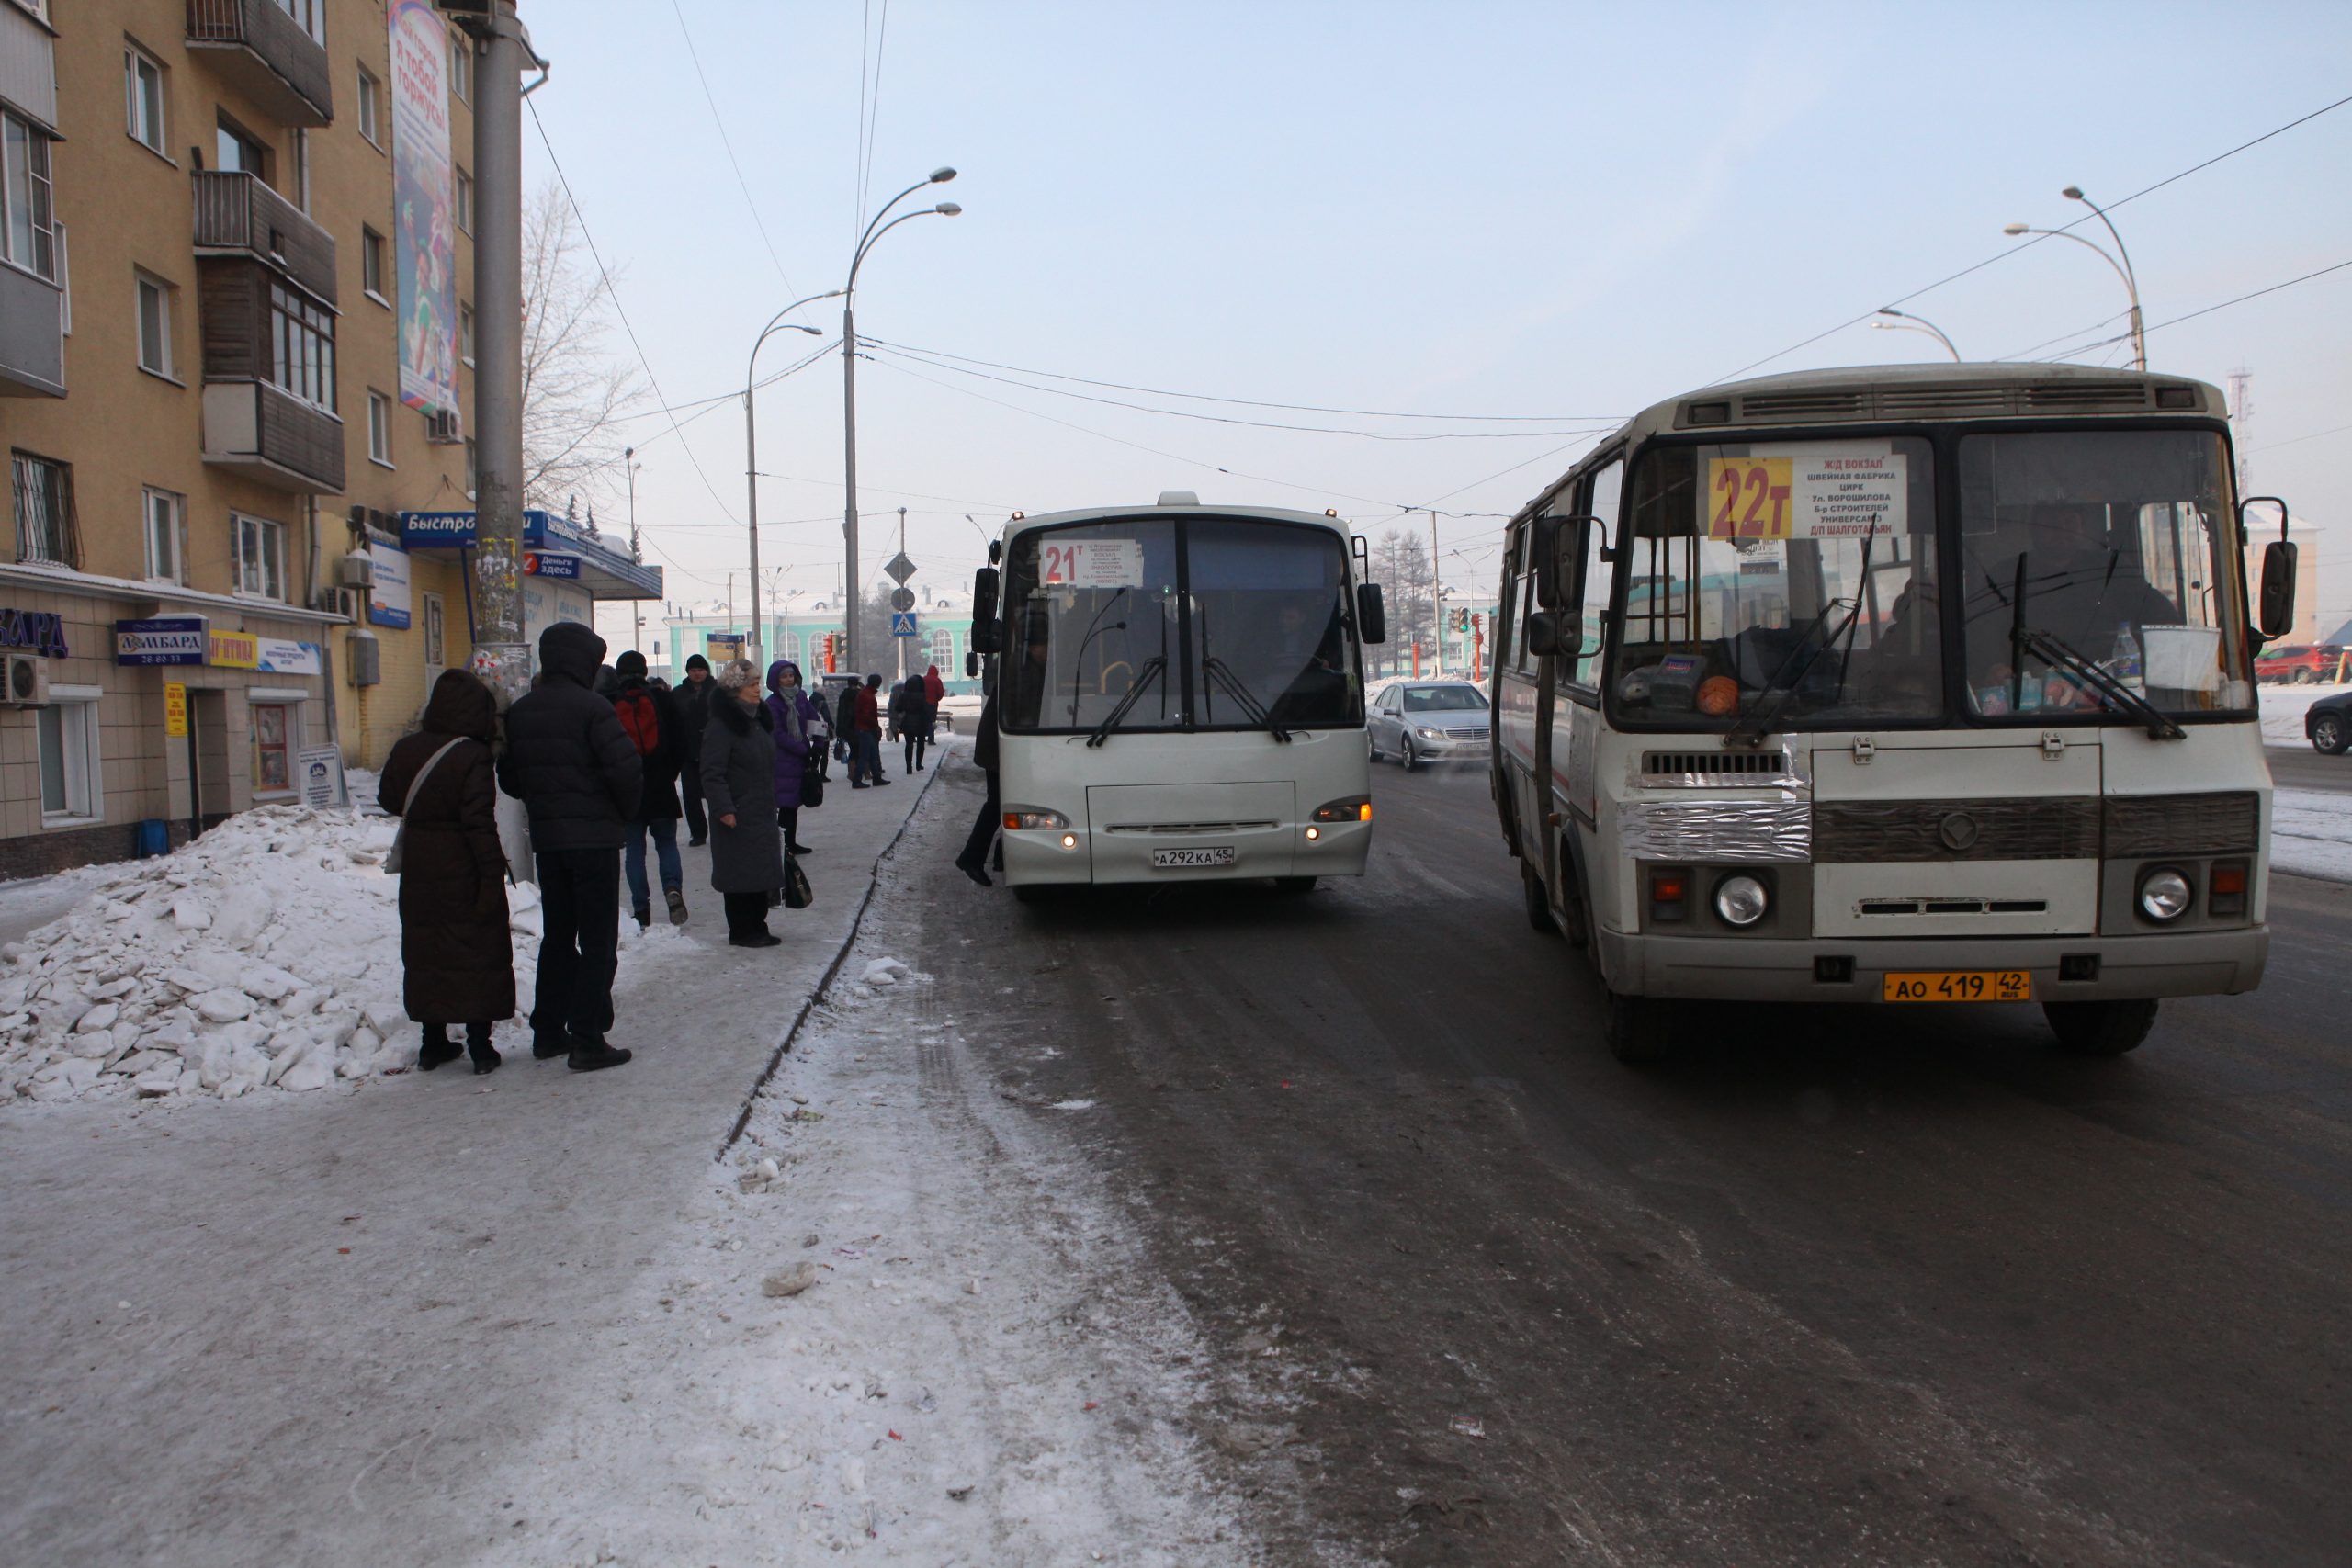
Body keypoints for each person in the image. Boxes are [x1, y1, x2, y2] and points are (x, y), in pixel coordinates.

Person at [495, 622, 638, 1072]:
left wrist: (546, 799)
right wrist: (619, 812)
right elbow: (625, 770)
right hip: (594, 841)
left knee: (558, 935)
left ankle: (548, 1031)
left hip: (550, 843)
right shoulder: (594, 708)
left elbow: (510, 779)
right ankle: (589, 1038)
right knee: (598, 939)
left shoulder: (522, 712)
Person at [379, 670, 513, 1075]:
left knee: (427, 951)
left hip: (420, 866)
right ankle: (480, 1046)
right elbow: (478, 821)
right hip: (463, 863)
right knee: (476, 947)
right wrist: (492, 872)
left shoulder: (406, 748)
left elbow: (388, 799)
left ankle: (432, 1043)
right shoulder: (472, 755)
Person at [700, 659, 788, 947]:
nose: (757, 689)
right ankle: (741, 930)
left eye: (757, 683)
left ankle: (758, 926)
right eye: (751, 684)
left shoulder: (757, 721)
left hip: (760, 808)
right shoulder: (723, 725)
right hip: (736, 811)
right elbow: (712, 773)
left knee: (760, 871)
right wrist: (724, 808)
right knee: (739, 873)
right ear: (735, 689)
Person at [611, 649, 689, 930]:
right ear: (644, 671)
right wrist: (670, 773)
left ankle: (641, 908)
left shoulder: (611, 702)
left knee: (634, 849)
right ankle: (672, 888)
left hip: (628, 789)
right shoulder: (663, 699)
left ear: (619, 672)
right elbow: (682, 741)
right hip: (661, 786)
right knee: (667, 843)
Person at [764, 660, 816, 858]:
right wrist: (800, 748)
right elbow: (776, 733)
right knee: (785, 803)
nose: (788, 679)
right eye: (784, 676)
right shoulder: (772, 703)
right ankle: (782, 845)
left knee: (793, 803)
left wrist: (818, 742)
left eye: (791, 675)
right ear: (776, 680)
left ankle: (791, 842)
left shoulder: (801, 698)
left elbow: (813, 720)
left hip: (800, 759)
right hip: (782, 760)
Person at [955, 689, 1001, 886]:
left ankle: (991, 856)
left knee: (1001, 804)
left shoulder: (1023, 667)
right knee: (998, 804)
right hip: (998, 751)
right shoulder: (1020, 670)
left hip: (997, 749)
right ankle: (972, 859)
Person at [674, 652, 715, 845]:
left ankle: (719, 828)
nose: (697, 674)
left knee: (715, 792)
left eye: (700, 670)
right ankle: (698, 833)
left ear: (706, 671)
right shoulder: (679, 693)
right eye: (693, 670)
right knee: (691, 796)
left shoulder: (717, 691)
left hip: (713, 750)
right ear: (688, 672)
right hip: (688, 751)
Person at [848, 672, 889, 787]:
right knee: (865, 755)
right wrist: (875, 725)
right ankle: (857, 780)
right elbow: (866, 715)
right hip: (865, 729)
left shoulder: (866, 693)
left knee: (872, 755)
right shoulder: (868, 696)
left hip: (864, 728)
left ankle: (876, 778)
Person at [890, 675, 932, 774]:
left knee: (909, 745)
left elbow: (898, 708)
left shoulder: (904, 695)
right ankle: (918, 764)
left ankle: (909, 767)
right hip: (920, 722)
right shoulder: (922, 695)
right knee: (920, 744)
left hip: (907, 721)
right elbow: (926, 710)